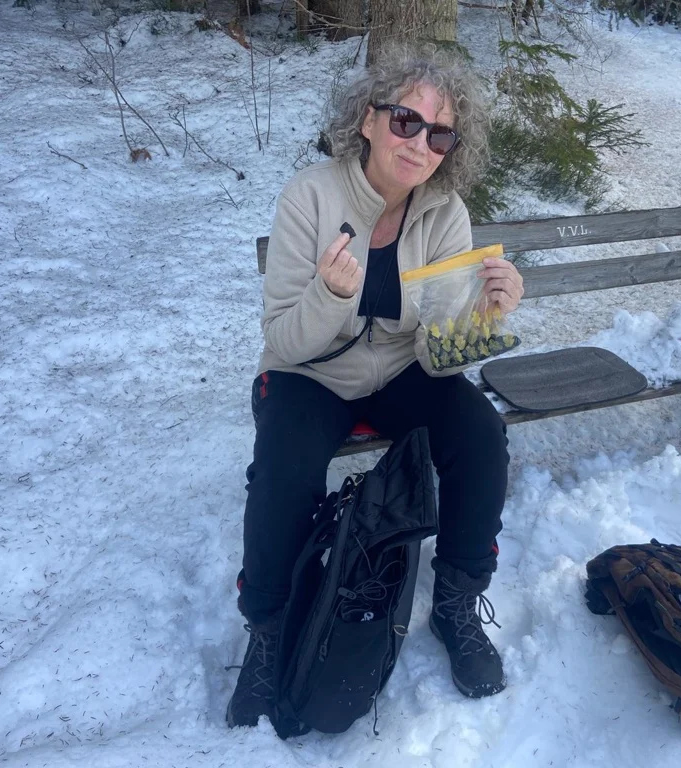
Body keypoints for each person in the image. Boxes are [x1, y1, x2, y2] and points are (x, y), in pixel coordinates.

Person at [227, 43, 525, 730]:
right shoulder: (311, 195)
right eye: (406, 120)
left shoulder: (445, 213)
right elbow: (286, 340)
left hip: (399, 368)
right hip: (308, 373)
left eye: (440, 134)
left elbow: (439, 355)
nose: (420, 143)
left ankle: (456, 602)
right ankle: (268, 631)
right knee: (283, 468)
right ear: (368, 119)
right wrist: (331, 296)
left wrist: (484, 315)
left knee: (480, 432)